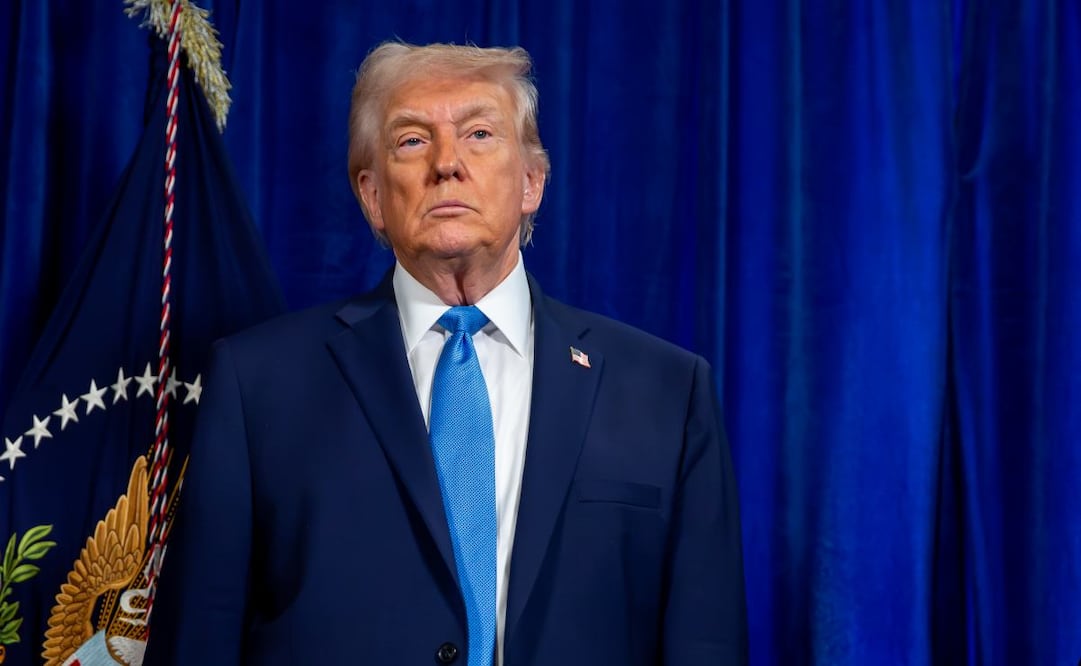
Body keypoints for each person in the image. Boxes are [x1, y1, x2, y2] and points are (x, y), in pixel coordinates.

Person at [145, 41, 747, 665]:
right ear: (372, 196)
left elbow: (706, 643)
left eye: (480, 134)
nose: (447, 164)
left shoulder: (667, 393)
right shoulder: (258, 386)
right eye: (412, 140)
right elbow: (199, 640)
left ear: (532, 182)